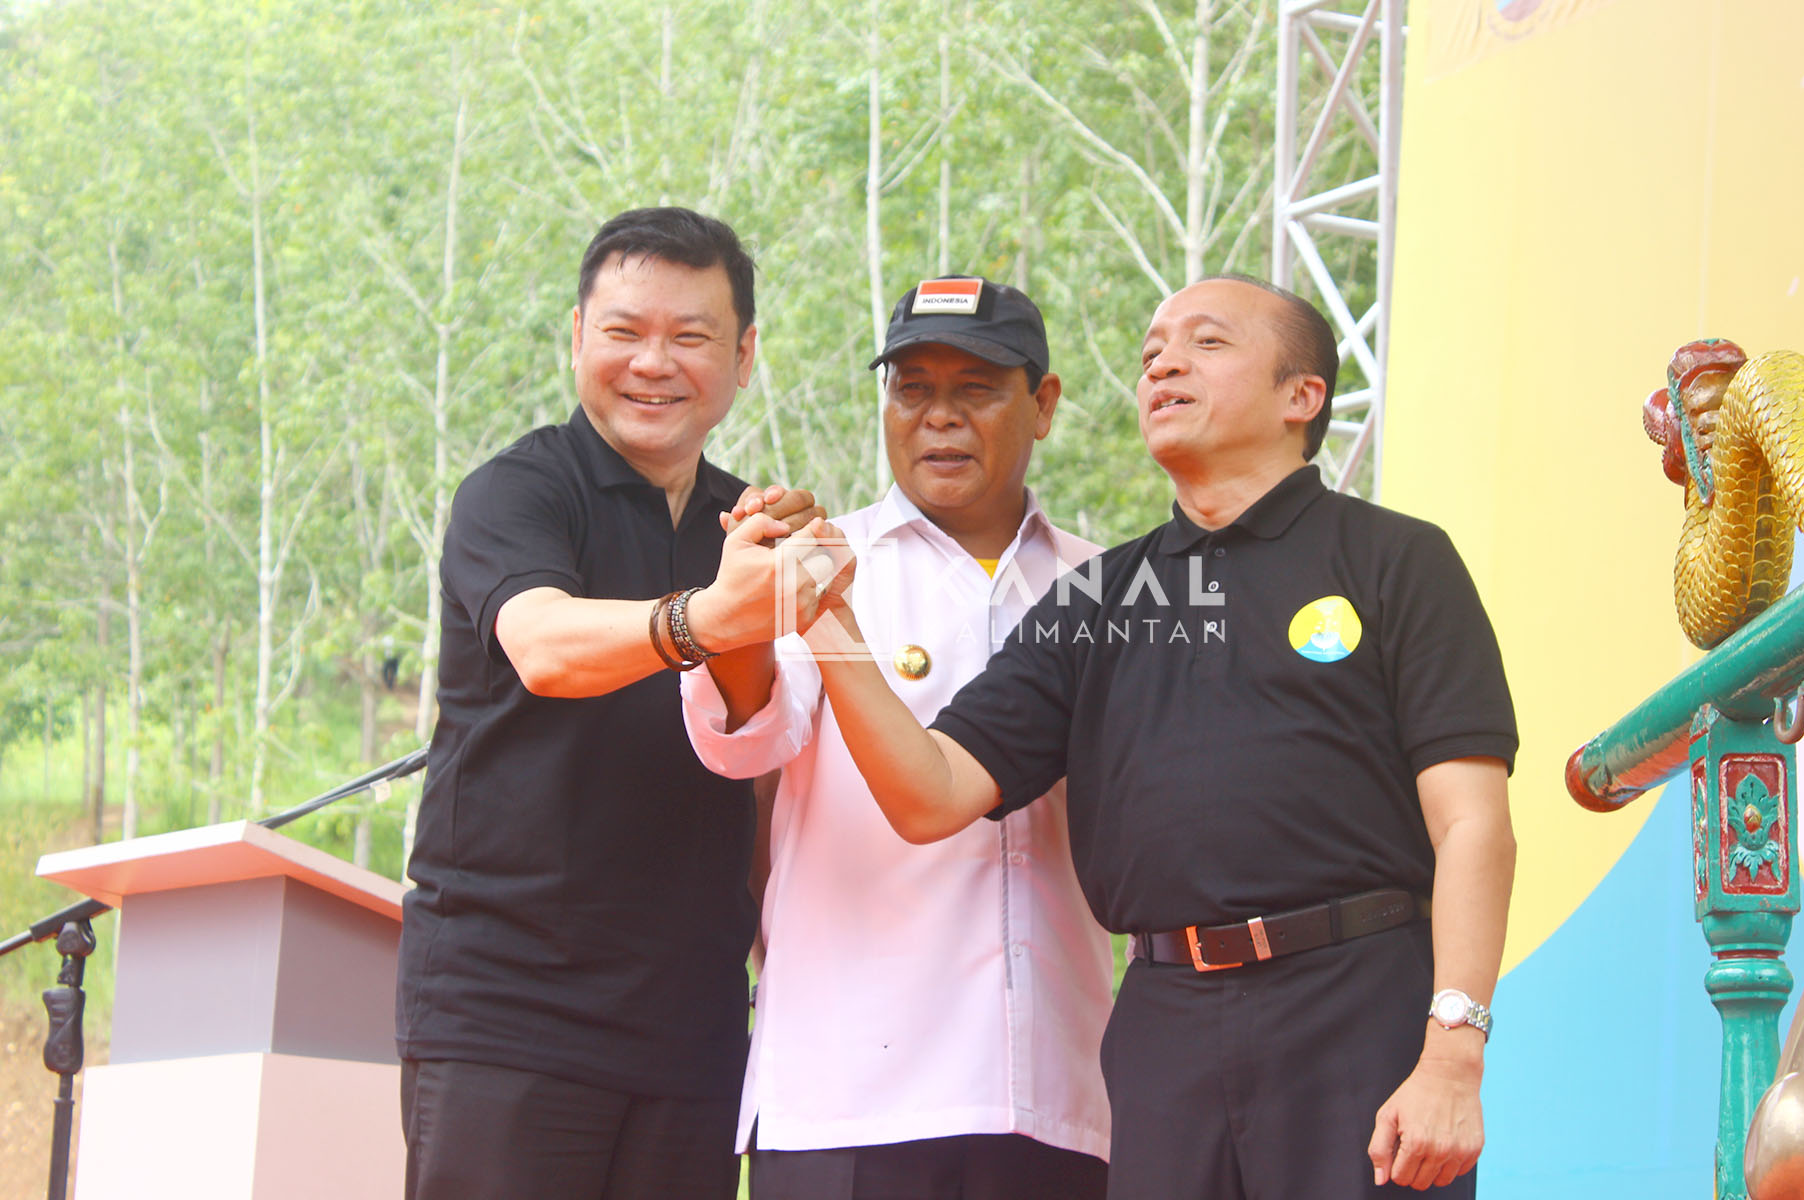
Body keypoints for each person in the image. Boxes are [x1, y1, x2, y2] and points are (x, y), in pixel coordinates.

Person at [714, 275, 1517, 1198]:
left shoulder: (1394, 558)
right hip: (1163, 1030)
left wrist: (1453, 1052)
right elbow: (930, 794)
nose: (1163, 365)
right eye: (1151, 354)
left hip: (1356, 1006)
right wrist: (827, 614)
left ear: (1303, 396)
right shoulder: (1102, 595)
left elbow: (1473, 824)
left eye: (1206, 343)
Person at [396, 206, 825, 1200]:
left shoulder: (745, 524)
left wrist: (755, 610)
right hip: (506, 1008)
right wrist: (707, 616)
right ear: (577, 338)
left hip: (693, 1026)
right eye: (624, 332)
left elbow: (762, 751)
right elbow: (544, 647)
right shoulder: (516, 493)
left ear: (744, 356)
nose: (653, 364)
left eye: (691, 337)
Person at [681, 277, 1114, 1200]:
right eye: (912, 389)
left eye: (976, 388)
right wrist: (747, 609)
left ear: (1043, 404)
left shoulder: (1106, 588)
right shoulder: (821, 564)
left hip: (1056, 1099)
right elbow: (742, 737)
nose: (939, 417)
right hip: (850, 1101)